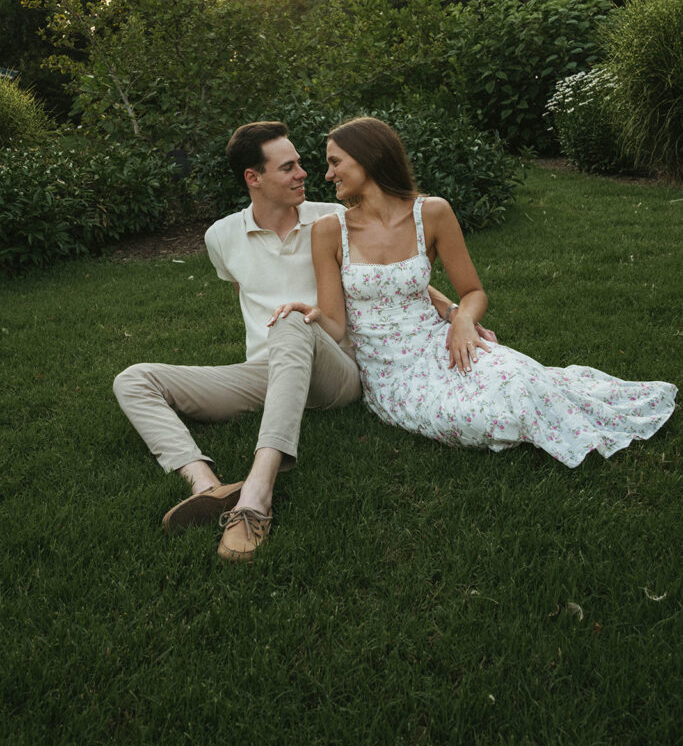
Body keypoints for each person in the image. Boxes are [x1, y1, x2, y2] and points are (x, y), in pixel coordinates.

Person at [114, 121, 481, 561]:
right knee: (134, 379)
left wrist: (454, 311)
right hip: (267, 373)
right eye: (289, 167)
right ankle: (205, 483)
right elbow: (241, 292)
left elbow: (390, 275)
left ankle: (257, 492)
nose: (305, 173)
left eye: (303, 164)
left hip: (335, 368)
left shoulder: (335, 217)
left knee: (290, 320)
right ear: (254, 178)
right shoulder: (221, 237)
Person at [271, 117, 677, 467]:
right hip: (391, 374)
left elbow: (473, 291)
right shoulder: (329, 230)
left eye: (335, 162)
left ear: (371, 157)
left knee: (522, 382)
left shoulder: (431, 213)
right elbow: (337, 326)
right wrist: (306, 313)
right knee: (479, 419)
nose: (328, 174)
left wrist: (462, 321)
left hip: (443, 343)